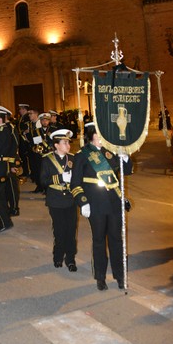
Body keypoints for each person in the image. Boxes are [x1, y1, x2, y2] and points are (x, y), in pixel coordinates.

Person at [70, 121, 133, 291]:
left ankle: (120, 276)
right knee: (98, 240)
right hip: (95, 204)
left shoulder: (111, 152)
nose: (102, 139)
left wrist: (125, 156)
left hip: (113, 203)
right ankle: (100, 277)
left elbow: (126, 170)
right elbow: (75, 183)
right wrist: (83, 202)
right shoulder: (82, 155)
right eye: (99, 136)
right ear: (91, 136)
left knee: (116, 240)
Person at [40, 129, 77, 271]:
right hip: (55, 200)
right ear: (56, 145)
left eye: (68, 142)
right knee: (60, 230)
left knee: (71, 230)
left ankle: (71, 259)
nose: (68, 145)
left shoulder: (73, 158)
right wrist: (61, 178)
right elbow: (43, 181)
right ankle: (58, 256)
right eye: (65, 143)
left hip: (70, 199)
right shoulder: (47, 159)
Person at [0, 105, 21, 217]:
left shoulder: (10, 128)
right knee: (6, 185)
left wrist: (12, 163)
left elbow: (14, 145)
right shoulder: (4, 127)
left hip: (10, 160)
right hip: (5, 161)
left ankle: (14, 207)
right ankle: (9, 206)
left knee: (12, 186)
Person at [30, 112, 53, 193]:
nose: (45, 122)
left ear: (49, 121)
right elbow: (36, 142)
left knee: (49, 171)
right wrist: (36, 148)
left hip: (51, 153)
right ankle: (39, 186)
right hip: (40, 154)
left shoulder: (53, 130)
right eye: (43, 120)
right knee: (39, 170)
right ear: (40, 121)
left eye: (46, 120)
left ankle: (48, 189)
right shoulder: (36, 131)